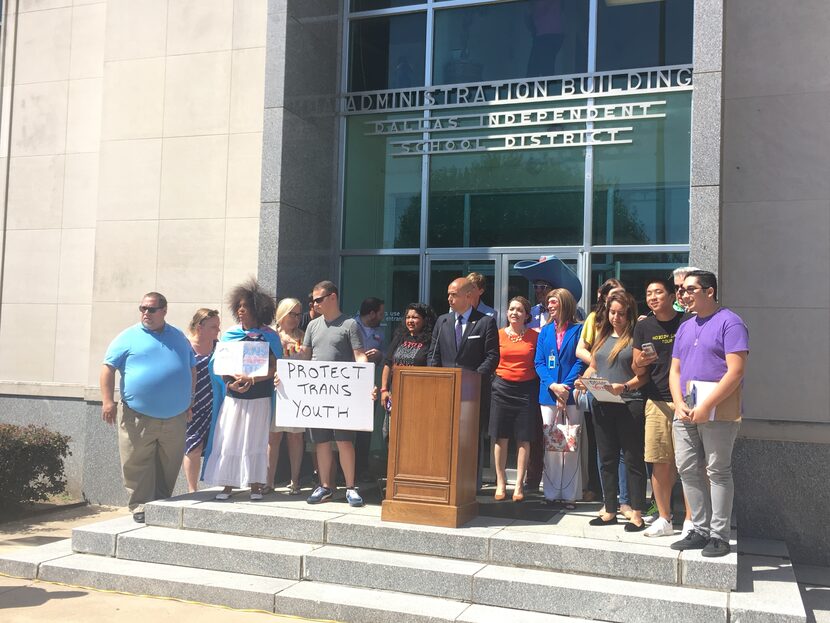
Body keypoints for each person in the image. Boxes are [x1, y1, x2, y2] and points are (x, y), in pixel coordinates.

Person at [669, 270, 748, 557]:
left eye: (690, 289)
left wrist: (706, 406)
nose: (683, 295)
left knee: (717, 471)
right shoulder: (686, 326)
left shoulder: (731, 323)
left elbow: (736, 371)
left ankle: (719, 535)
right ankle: (699, 529)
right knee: (687, 468)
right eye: (681, 290)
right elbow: (675, 370)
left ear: (709, 291)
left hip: (719, 412)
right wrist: (679, 402)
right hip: (686, 409)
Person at [100, 292, 196, 523]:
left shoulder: (178, 337)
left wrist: (189, 400)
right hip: (138, 415)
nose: (146, 313)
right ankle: (140, 505)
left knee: (169, 461)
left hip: (175, 416)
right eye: (142, 308)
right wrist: (107, 401)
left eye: (151, 309)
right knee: (137, 461)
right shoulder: (128, 337)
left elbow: (191, 367)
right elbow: (107, 368)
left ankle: (162, 502)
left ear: (164, 310)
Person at [202, 280, 282, 501]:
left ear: (257, 310)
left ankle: (255, 485)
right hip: (233, 397)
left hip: (260, 397)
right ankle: (227, 485)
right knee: (229, 439)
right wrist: (229, 383)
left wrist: (253, 378)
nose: (240, 310)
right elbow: (218, 366)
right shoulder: (230, 335)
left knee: (256, 440)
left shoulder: (270, 336)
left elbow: (276, 367)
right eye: (238, 306)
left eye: (245, 307)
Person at [576, 291, 649, 532]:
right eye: (612, 312)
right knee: (606, 458)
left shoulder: (634, 338)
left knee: (632, 458)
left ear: (629, 314)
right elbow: (594, 367)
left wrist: (625, 386)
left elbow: (643, 376)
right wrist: (583, 380)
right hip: (602, 403)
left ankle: (636, 512)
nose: (615, 317)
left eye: (621, 313)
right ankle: (609, 509)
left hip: (629, 403)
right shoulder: (602, 336)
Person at [295, 280, 369, 507]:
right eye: (313, 300)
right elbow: (305, 358)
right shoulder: (312, 326)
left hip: (342, 394)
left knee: (345, 441)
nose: (315, 303)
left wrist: (366, 377)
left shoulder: (350, 325)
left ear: (333, 297)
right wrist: (286, 375)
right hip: (318, 394)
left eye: (319, 299)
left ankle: (350, 487)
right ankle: (325, 486)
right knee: (322, 442)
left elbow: (359, 355)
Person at [632, 278, 694, 537]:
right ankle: (664, 518)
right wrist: (642, 361)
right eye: (648, 293)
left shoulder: (688, 322)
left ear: (672, 296)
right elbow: (636, 367)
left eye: (658, 292)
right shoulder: (643, 326)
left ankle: (692, 520)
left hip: (688, 400)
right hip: (656, 399)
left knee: (690, 464)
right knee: (659, 462)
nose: (653, 297)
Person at [428, 277, 500, 489]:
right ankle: (445, 478)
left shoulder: (485, 321)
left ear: (468, 296)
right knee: (445, 435)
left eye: (454, 294)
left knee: (471, 438)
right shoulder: (442, 321)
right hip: (445, 391)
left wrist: (475, 378)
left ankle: (471, 483)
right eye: (448, 294)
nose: (449, 298)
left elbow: (492, 356)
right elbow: (434, 354)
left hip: (473, 392)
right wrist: (435, 377)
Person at [575, 277, 625, 509]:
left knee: (625, 446)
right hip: (597, 384)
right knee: (599, 443)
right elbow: (580, 349)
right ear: (603, 297)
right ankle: (598, 490)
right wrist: (599, 364)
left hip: (624, 386)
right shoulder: (594, 319)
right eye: (613, 293)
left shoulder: (632, 321)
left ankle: (625, 498)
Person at [535, 289, 586, 507]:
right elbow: (539, 362)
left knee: (570, 445)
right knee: (552, 444)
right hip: (548, 394)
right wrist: (553, 386)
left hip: (571, 393)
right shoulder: (545, 331)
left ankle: (570, 494)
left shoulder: (579, 329)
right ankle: (551, 492)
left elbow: (580, 360)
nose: (550, 307)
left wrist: (565, 386)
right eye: (549, 303)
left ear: (565, 303)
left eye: (554, 302)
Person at [490, 296, 538, 502]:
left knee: (523, 438)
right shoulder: (498, 335)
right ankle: (500, 482)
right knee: (500, 436)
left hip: (526, 389)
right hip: (501, 388)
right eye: (511, 309)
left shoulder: (535, 336)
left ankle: (519, 485)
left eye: (519, 310)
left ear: (527, 315)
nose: (514, 313)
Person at [266, 298, 306, 495]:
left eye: (299, 314)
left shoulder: (304, 337)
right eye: (292, 314)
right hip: (274, 393)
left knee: (296, 438)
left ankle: (295, 480)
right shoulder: (270, 336)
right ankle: (268, 481)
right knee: (273, 437)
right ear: (282, 313)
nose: (296, 318)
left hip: (296, 395)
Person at [183, 308, 221, 494]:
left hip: (215, 404)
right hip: (192, 405)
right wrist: (185, 404)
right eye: (214, 327)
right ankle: (192, 489)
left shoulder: (218, 346)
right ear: (200, 328)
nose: (218, 331)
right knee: (193, 446)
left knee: (215, 445)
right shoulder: (185, 347)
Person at [380, 303, 437, 414]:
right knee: (391, 429)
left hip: (418, 394)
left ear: (425, 320)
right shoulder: (400, 337)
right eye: (408, 317)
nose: (410, 320)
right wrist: (384, 390)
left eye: (415, 317)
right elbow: (388, 364)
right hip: (394, 393)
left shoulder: (430, 341)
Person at [354, 297, 385, 481]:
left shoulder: (380, 330)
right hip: (348, 384)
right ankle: (344, 469)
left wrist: (380, 355)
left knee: (365, 429)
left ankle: (362, 468)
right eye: (380, 313)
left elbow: (388, 353)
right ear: (371, 313)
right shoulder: (350, 325)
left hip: (369, 387)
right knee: (347, 430)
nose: (381, 317)